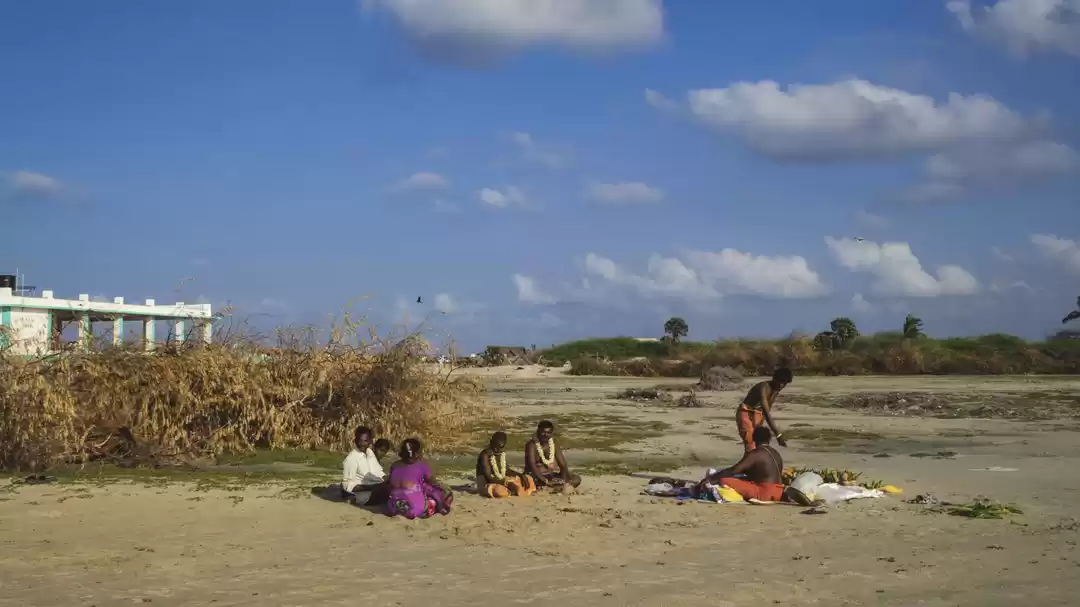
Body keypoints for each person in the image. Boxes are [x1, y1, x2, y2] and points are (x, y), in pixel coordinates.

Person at [697, 426, 785, 502]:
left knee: (724, 480)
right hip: (779, 492)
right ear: (769, 439)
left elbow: (734, 470)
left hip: (764, 493)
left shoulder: (756, 454)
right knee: (742, 479)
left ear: (754, 438)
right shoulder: (776, 453)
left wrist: (712, 478)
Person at [386, 438, 452, 519]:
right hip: (414, 509)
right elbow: (432, 482)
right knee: (442, 491)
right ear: (417, 453)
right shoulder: (421, 465)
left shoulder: (394, 465)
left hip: (392, 508)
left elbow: (390, 483)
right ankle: (441, 507)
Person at [735, 367, 792, 452]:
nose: (781, 385)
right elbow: (766, 410)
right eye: (780, 382)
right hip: (745, 412)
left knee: (759, 444)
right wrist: (778, 435)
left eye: (784, 383)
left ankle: (755, 463)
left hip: (757, 414)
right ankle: (749, 463)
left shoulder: (776, 390)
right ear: (774, 378)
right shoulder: (763, 388)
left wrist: (760, 426)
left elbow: (766, 411)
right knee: (750, 444)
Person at [524, 420, 581, 492]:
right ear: (538, 431)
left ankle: (557, 487)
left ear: (551, 433)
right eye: (543, 432)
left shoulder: (553, 442)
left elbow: (562, 463)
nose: (545, 435)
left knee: (576, 479)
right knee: (531, 481)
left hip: (550, 475)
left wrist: (564, 480)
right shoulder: (531, 445)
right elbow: (532, 465)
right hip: (535, 477)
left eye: (548, 433)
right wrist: (546, 481)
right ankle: (554, 488)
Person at [476, 431, 536, 498]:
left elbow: (506, 471)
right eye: (495, 446)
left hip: (501, 480)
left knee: (528, 478)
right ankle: (514, 490)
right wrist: (506, 482)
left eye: (500, 447)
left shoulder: (501, 454)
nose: (496, 449)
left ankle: (514, 490)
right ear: (491, 442)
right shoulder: (485, 455)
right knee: (499, 491)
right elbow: (489, 477)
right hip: (487, 484)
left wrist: (521, 475)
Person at [341, 426, 389, 505]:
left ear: (370, 441)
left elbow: (378, 473)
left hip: (376, 488)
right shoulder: (351, 459)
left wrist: (392, 479)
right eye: (360, 440)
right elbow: (346, 486)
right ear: (355, 440)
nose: (362, 444)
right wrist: (372, 488)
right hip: (364, 495)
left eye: (365, 441)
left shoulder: (369, 452)